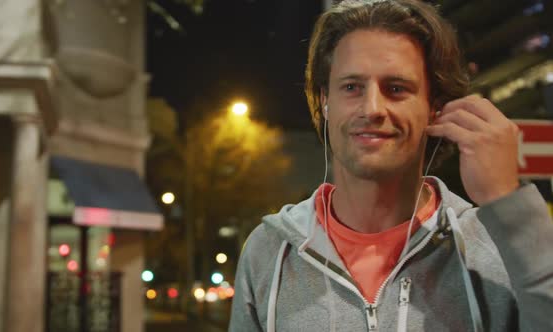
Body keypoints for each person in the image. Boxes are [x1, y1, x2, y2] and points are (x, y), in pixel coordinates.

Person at [228, 0, 553, 331]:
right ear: (326, 101)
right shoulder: (268, 252)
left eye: (396, 89)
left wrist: (507, 200)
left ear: (435, 108)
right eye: (352, 87)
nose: (371, 109)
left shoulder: (497, 247)